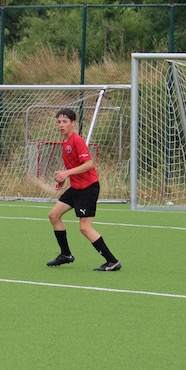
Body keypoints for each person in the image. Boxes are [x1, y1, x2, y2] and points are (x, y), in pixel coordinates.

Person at [45, 108, 120, 271]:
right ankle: (65, 254)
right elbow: (73, 168)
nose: (61, 125)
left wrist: (66, 173)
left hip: (88, 188)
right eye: (59, 122)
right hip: (75, 188)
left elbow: (89, 164)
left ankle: (112, 261)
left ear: (73, 123)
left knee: (85, 228)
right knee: (53, 215)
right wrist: (63, 179)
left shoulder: (77, 141)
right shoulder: (65, 142)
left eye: (65, 122)